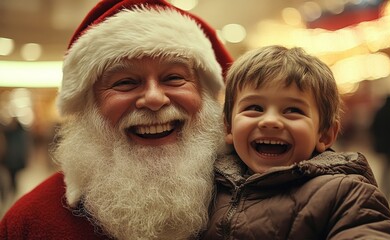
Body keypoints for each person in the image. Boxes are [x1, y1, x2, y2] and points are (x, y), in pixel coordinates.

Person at [0, 0, 232, 239]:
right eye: (125, 82)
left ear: (205, 97)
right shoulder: (29, 223)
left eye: (173, 77)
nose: (154, 98)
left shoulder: (254, 199)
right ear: (89, 107)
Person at [201, 45, 390, 239]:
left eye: (293, 110)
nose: (270, 121)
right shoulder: (207, 189)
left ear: (324, 135)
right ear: (228, 127)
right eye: (254, 107)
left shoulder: (346, 195)